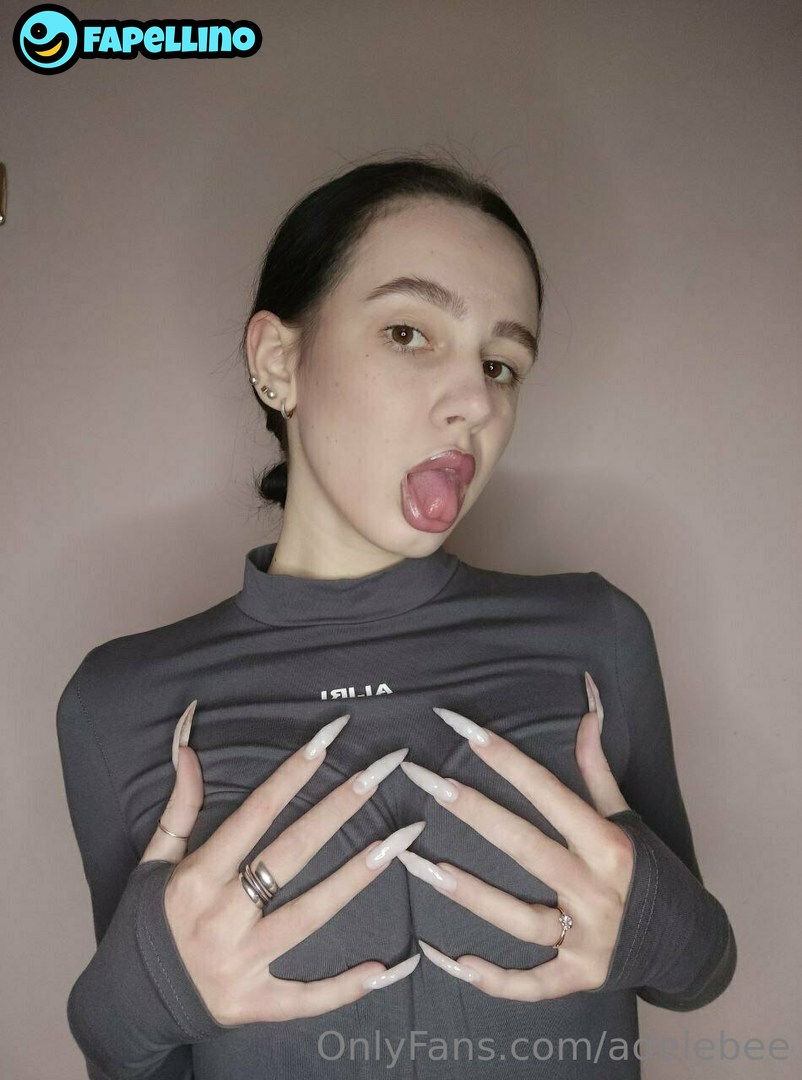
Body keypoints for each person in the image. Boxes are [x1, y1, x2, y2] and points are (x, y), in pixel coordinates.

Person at [57, 154, 736, 1080]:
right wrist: (144, 994)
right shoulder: (117, 700)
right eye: (410, 332)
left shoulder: (597, 633)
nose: (475, 403)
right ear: (279, 361)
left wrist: (652, 921)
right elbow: (134, 1058)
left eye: (501, 363)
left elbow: (696, 975)